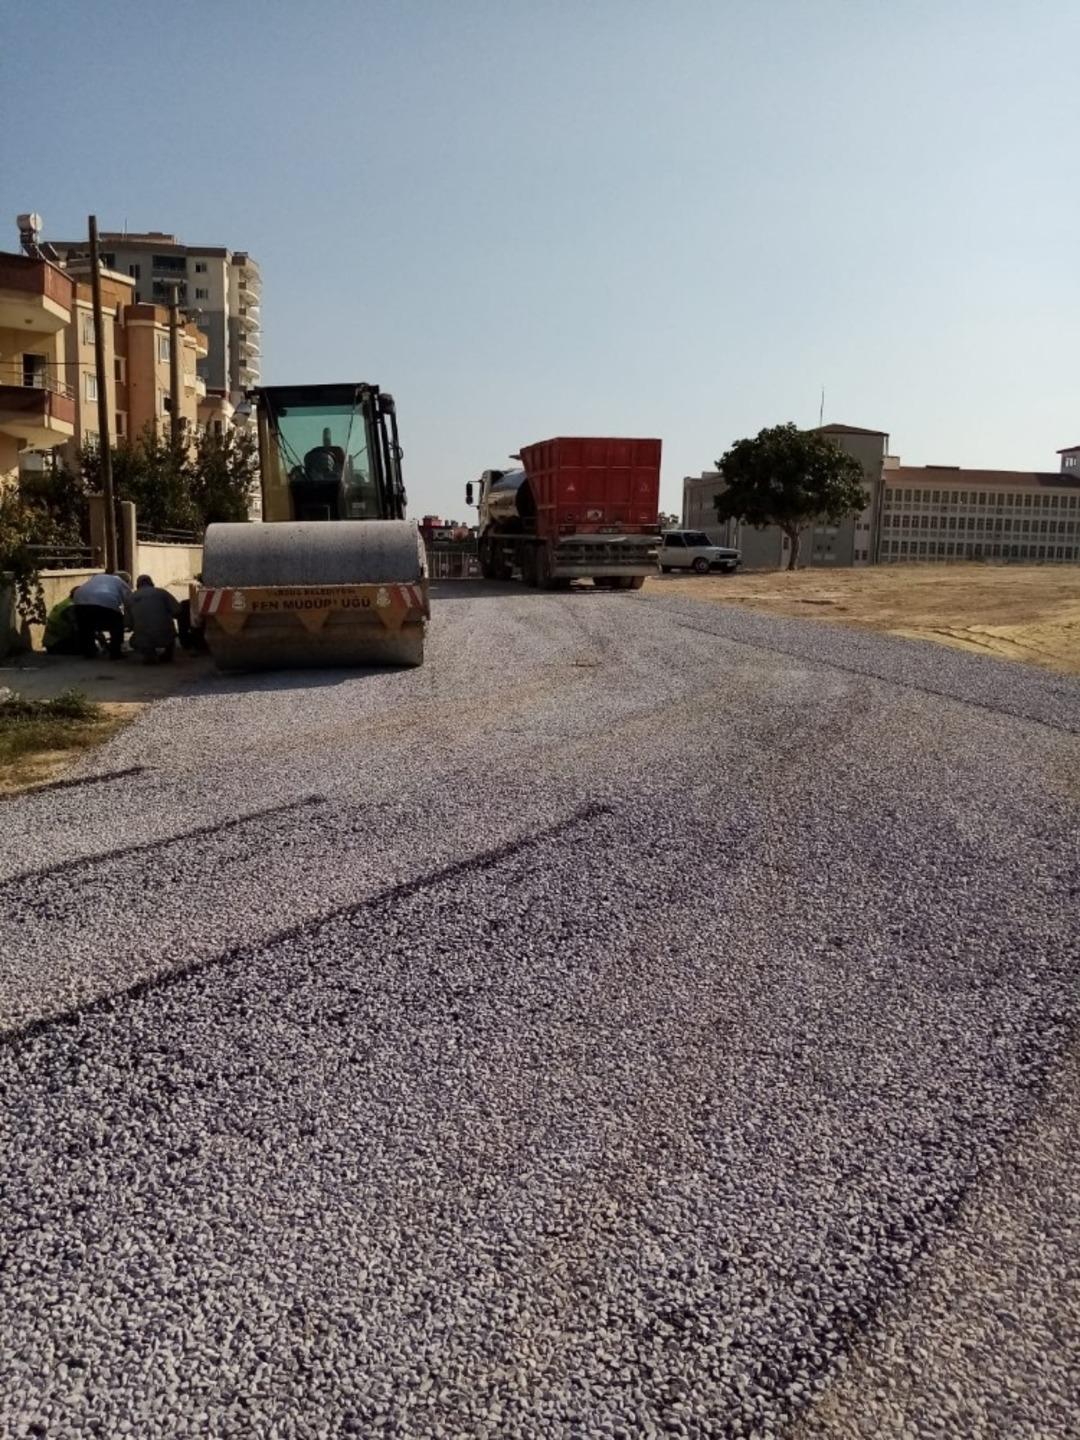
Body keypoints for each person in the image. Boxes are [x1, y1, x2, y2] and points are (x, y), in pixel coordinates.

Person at [73, 569, 132, 660]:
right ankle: (115, 652)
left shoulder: (98, 577)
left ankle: (89, 652)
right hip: (105, 600)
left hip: (79, 599)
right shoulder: (119, 581)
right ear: (126, 581)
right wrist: (130, 620)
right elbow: (129, 601)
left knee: (86, 626)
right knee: (117, 625)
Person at [125, 574, 180, 664]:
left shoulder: (130, 598)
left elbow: (128, 623)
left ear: (137, 585)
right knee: (170, 632)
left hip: (144, 637)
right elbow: (177, 610)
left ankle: (149, 653)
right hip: (166, 635)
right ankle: (168, 653)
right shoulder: (162, 592)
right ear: (152, 583)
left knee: (133, 641)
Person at [42, 587, 83, 655]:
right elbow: (76, 628)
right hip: (56, 644)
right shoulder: (70, 607)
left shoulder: (66, 602)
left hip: (49, 642)